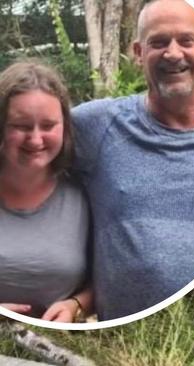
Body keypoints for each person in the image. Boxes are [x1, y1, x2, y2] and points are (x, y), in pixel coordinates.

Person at [72, 0, 194, 320]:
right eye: (158, 43)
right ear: (138, 52)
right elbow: (19, 149)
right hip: (127, 340)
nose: (173, 54)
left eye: (186, 40)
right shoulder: (97, 125)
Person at [0, 61, 93, 322]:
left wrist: (77, 305)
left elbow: (111, 274)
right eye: (21, 126)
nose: (36, 139)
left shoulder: (85, 192)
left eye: (48, 125)